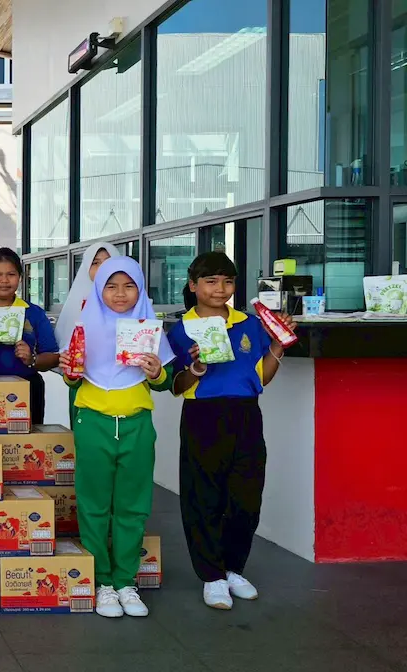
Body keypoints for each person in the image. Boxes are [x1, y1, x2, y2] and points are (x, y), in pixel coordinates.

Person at [168, 252, 296, 611]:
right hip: (203, 415)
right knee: (204, 497)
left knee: (246, 497)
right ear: (193, 286)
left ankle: (233, 568)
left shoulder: (250, 324)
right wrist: (196, 367)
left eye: (227, 281)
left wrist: (277, 344)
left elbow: (261, 377)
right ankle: (211, 576)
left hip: (245, 414)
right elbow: (175, 386)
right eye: (210, 281)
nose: (220, 289)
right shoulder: (180, 330)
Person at [58, 256, 174, 619]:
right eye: (111, 286)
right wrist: (70, 371)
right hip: (94, 422)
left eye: (129, 286)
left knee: (133, 505)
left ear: (140, 290)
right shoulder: (84, 326)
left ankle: (125, 581)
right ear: (99, 289)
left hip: (137, 423)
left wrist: (156, 372)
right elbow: (72, 380)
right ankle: (102, 583)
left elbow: (166, 383)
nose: (120, 294)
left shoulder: (149, 328)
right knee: (94, 503)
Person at [0, 248, 59, 423]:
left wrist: (32, 359)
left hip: (27, 389)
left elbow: (53, 357)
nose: (4, 281)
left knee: (25, 439)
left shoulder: (34, 313)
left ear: (20, 277)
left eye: (11, 274)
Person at [56, 242, 120, 424]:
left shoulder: (131, 302)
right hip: (83, 386)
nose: (102, 268)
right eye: (95, 263)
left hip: (122, 389)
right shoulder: (77, 304)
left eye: (108, 261)